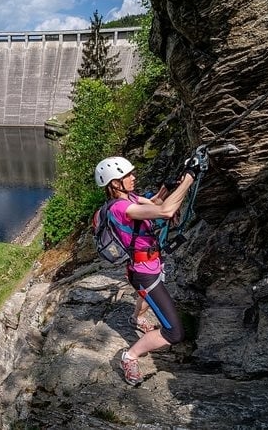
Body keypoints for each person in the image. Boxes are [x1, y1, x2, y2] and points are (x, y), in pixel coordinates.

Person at [94, 156, 198, 386]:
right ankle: (129, 357)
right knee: (174, 333)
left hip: (149, 265)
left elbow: (156, 203)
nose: (133, 177)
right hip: (144, 273)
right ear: (114, 183)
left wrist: (166, 188)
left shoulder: (130, 198)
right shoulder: (122, 208)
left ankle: (135, 318)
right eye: (127, 175)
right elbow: (165, 212)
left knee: (148, 296)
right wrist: (189, 178)